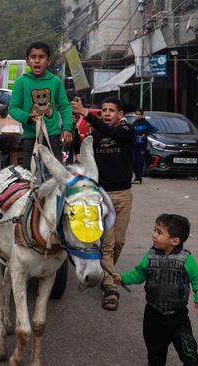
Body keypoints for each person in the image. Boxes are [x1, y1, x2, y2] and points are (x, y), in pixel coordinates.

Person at [112, 214, 198, 366]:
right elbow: (139, 274)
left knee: (189, 354)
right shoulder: (149, 256)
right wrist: (123, 278)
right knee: (155, 354)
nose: (154, 235)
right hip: (153, 316)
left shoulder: (186, 259)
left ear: (174, 241)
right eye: (154, 230)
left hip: (178, 318)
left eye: (159, 232)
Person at [70, 96, 134, 311]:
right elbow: (81, 150)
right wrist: (73, 127)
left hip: (124, 194)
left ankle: (107, 270)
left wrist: (87, 114)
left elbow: (114, 134)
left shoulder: (127, 131)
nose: (106, 113)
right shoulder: (95, 134)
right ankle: (110, 287)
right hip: (103, 195)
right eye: (104, 110)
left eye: (111, 110)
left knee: (119, 242)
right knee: (107, 243)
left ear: (120, 114)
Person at [9, 41, 73, 169]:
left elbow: (65, 106)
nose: (37, 61)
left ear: (48, 61)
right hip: (30, 138)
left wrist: (67, 127)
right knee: (30, 176)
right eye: (33, 57)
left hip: (53, 137)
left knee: (56, 176)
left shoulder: (55, 81)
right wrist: (27, 116)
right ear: (27, 61)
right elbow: (13, 109)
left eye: (41, 57)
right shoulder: (21, 82)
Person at [131, 108, 157, 184]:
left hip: (142, 145)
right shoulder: (134, 123)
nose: (138, 116)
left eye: (139, 114)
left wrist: (145, 134)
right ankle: (136, 176)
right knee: (133, 161)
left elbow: (154, 129)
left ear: (142, 115)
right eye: (137, 114)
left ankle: (138, 178)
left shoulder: (145, 123)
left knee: (140, 161)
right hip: (134, 144)